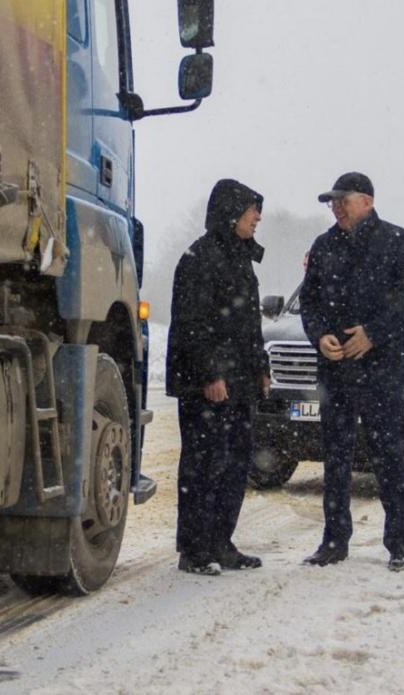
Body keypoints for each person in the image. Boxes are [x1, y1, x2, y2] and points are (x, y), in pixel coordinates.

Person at [299, 172, 404, 571]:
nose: (336, 208)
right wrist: (320, 335)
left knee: (388, 457)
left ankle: (399, 543)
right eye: (332, 202)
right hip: (336, 372)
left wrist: (373, 334)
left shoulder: (397, 240)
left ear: (367, 201)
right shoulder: (324, 246)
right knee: (335, 459)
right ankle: (334, 541)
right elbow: (309, 302)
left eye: (344, 200)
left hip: (381, 371)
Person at [166, 178, 270, 576]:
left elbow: (248, 323)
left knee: (235, 464)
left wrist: (260, 367)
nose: (257, 217)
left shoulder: (240, 257)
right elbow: (192, 324)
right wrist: (210, 374)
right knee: (203, 465)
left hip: (239, 382)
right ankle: (194, 550)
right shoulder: (200, 257)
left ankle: (221, 543)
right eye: (252, 210)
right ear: (231, 212)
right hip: (207, 385)